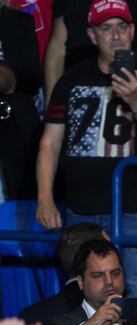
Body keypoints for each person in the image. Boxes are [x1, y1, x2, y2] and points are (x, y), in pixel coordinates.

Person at [35, 0, 137, 308]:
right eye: (106, 28)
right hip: (82, 206)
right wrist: (45, 198)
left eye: (122, 27)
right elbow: (50, 143)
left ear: (133, 31)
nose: (115, 36)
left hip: (134, 207)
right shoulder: (70, 80)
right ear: (92, 35)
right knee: (80, 292)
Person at [0, 3, 41, 201]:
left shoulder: (19, 22)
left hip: (14, 123)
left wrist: (10, 81)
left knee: (20, 200)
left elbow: (33, 78)